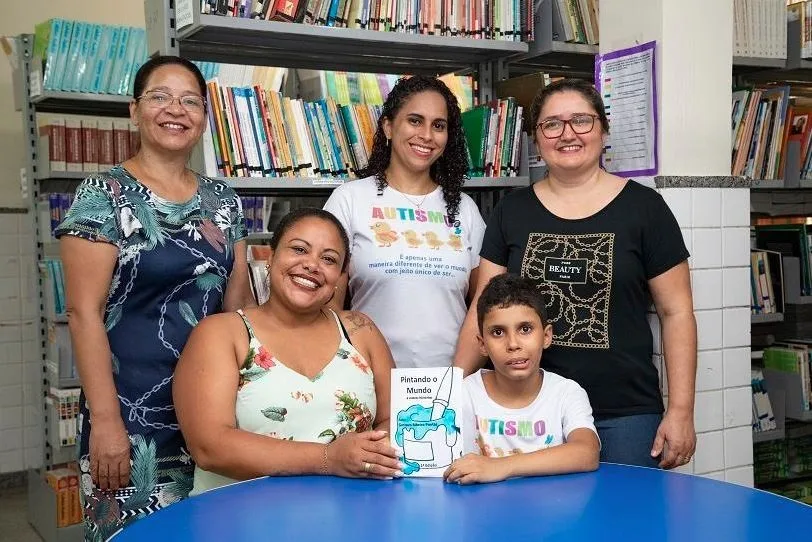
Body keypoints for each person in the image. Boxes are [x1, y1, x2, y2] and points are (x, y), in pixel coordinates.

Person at [55, 56, 253, 540]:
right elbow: (83, 314)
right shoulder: (104, 195)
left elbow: (237, 313)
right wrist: (104, 423)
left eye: (191, 101)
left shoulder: (223, 202)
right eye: (160, 97)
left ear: (204, 119)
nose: (176, 110)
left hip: (212, 415)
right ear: (134, 111)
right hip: (129, 420)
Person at [454, 78, 697, 470]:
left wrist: (681, 410)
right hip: (527, 411)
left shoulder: (646, 209)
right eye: (552, 124)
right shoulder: (511, 211)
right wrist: (446, 393)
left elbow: (677, 313)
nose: (567, 134)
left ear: (603, 129)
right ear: (536, 138)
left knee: (623, 527)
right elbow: (482, 309)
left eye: (581, 121)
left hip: (625, 413)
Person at [173, 208, 402, 495]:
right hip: (239, 519)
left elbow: (395, 417)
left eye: (329, 259)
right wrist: (329, 459)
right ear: (270, 256)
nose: (312, 265)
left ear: (340, 277)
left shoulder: (360, 330)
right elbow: (210, 447)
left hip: (350, 511)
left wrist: (377, 450)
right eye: (299, 249)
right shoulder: (221, 333)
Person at [324, 75, 485, 369]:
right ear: (388, 126)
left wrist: (458, 379)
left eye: (439, 125)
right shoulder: (349, 199)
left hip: (449, 380)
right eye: (414, 120)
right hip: (367, 376)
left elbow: (485, 305)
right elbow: (327, 305)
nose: (427, 134)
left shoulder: (466, 209)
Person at [444, 274, 599, 484]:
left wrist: (501, 467)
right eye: (498, 332)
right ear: (482, 344)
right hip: (482, 511)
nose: (513, 344)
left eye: (525, 329)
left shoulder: (566, 393)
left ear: (546, 336)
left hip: (551, 511)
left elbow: (587, 452)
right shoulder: (464, 393)